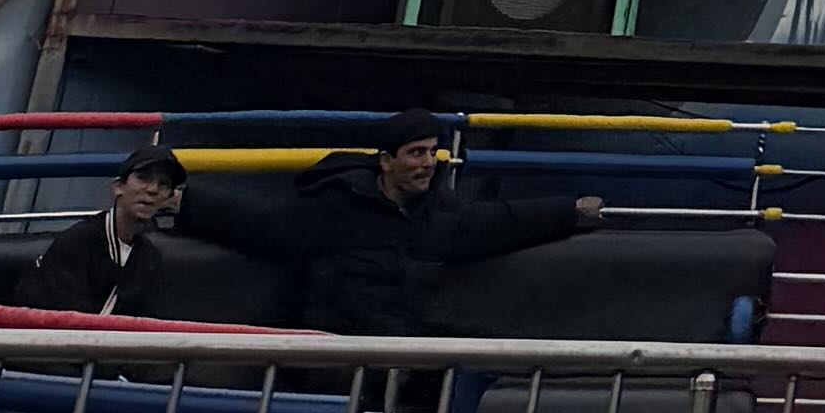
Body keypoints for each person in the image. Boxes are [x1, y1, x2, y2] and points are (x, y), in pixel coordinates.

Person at [219, 116, 603, 335]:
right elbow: (259, 223)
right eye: (416, 153)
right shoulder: (333, 207)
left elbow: (502, 222)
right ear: (386, 162)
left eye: (432, 152)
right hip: (338, 344)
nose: (428, 163)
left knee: (480, 356)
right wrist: (188, 201)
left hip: (403, 341)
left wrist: (569, 211)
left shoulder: (438, 215)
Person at [22, 136, 193, 313]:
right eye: (143, 177)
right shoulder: (77, 242)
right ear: (118, 187)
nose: (152, 189)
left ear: (168, 198)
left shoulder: (149, 258)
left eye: (163, 184)